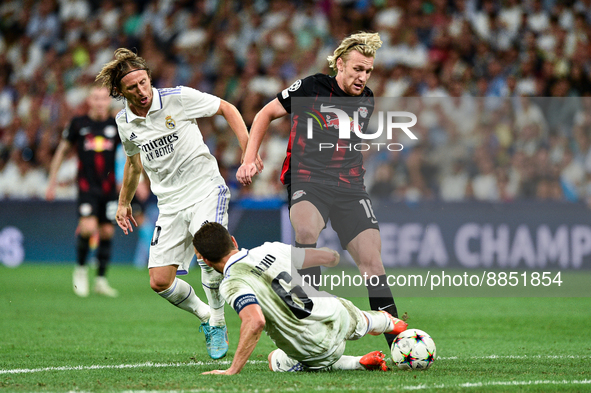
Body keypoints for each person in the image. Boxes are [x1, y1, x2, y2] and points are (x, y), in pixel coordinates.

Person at [236, 32, 401, 346]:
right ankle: (312, 326)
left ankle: (398, 338)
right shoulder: (311, 87)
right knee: (308, 236)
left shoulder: (367, 99)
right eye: (357, 69)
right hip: (307, 179)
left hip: (350, 186)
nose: (362, 77)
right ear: (340, 64)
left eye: (368, 71)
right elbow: (264, 114)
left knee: (372, 262)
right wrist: (249, 158)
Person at [95, 48, 262, 359]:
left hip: (205, 188)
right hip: (169, 203)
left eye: (144, 82)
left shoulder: (176, 97)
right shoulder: (124, 121)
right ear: (120, 92)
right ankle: (205, 317)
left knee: (206, 252)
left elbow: (226, 108)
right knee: (159, 281)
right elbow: (134, 164)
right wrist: (123, 203)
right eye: (133, 88)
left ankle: (219, 319)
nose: (142, 91)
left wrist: (247, 153)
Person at [192, 222, 408, 374]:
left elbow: (255, 321)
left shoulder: (232, 283)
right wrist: (332, 257)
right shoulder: (271, 248)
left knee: (274, 360)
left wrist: (233, 369)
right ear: (233, 240)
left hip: (316, 347)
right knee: (355, 316)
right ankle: (388, 321)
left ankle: (355, 363)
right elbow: (326, 257)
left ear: (207, 262)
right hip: (337, 312)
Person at [46, 84, 120, 298]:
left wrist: (139, 180)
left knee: (107, 232)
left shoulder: (116, 124)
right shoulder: (78, 123)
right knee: (88, 228)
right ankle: (80, 271)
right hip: (87, 188)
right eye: (95, 98)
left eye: (103, 98)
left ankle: (101, 280)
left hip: (109, 188)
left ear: (108, 101)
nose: (99, 102)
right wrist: (52, 182)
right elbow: (61, 152)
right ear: (89, 100)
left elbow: (130, 153)